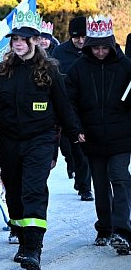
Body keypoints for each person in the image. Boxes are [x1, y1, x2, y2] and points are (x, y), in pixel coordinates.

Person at [0, 12, 83, 270]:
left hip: (40, 140)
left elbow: (63, 107)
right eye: (15, 39)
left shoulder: (49, 70)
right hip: (8, 141)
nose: (18, 44)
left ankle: (33, 247)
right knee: (14, 192)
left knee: (33, 189)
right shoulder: (2, 71)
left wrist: (76, 135)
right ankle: (20, 233)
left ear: (35, 41)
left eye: (23, 39)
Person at [66, 16, 131, 253]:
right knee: (101, 184)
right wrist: (76, 128)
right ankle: (104, 227)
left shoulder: (126, 67)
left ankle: (123, 230)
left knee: (120, 179)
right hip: (91, 136)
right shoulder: (78, 69)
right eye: (96, 47)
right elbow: (69, 102)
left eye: (105, 47)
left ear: (112, 45)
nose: (101, 52)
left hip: (122, 136)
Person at [52, 17, 93, 201]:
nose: (81, 41)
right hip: (64, 105)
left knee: (81, 148)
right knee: (68, 149)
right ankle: (74, 170)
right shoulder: (60, 52)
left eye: (84, 37)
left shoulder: (93, 50)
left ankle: (85, 187)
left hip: (84, 107)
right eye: (77, 37)